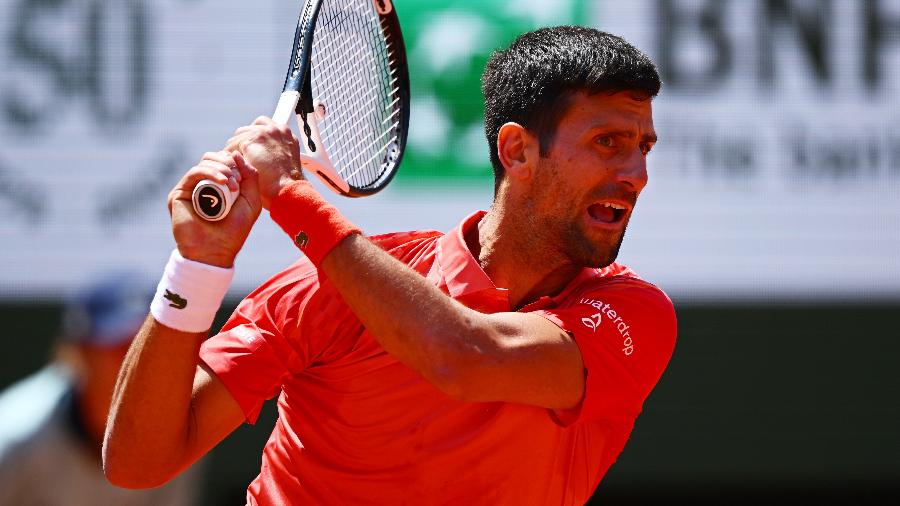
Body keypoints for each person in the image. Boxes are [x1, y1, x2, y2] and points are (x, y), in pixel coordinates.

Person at [104, 26, 676, 504]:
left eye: (642, 146)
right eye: (608, 142)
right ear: (517, 151)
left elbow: (464, 356)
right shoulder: (322, 293)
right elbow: (137, 463)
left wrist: (289, 195)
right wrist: (198, 265)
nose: (636, 173)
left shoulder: (633, 315)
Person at [0, 272, 200, 506]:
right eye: (122, 347)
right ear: (79, 353)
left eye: (150, 345)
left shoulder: (178, 430)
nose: (140, 362)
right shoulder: (17, 434)